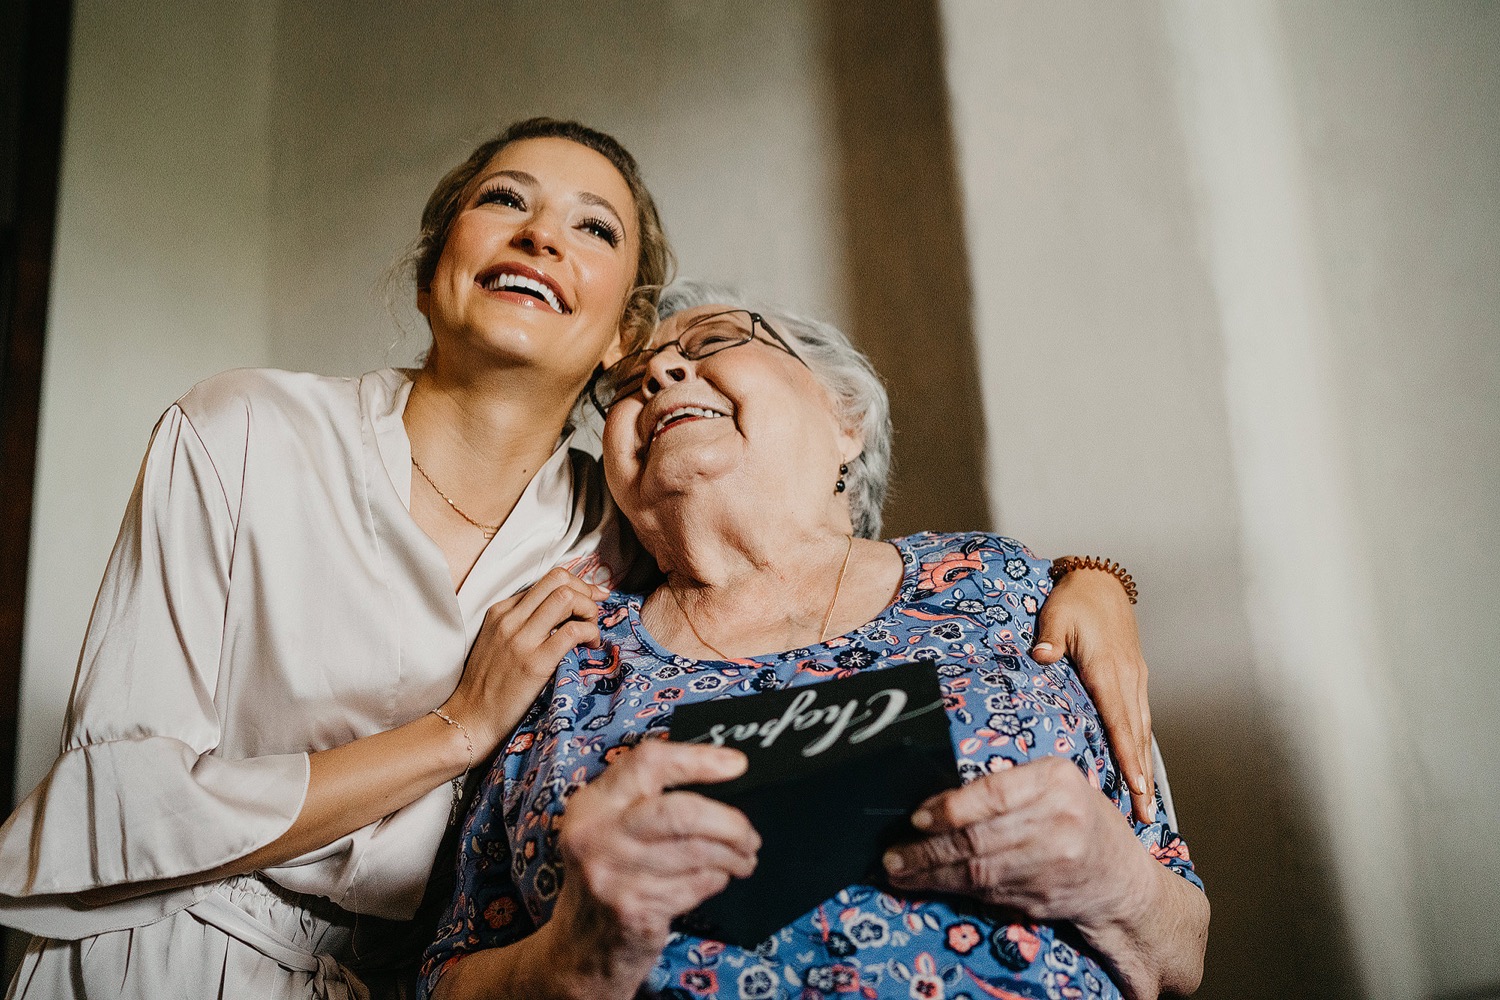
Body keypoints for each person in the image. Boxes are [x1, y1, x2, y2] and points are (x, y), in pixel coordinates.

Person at [0, 121, 1157, 998]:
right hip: (154, 948)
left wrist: (1092, 578)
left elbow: (814, 573)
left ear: (616, 331)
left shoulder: (612, 526)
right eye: (504, 201)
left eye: (593, 226)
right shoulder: (247, 431)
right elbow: (122, 796)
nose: (542, 234)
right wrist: (458, 729)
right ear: (430, 269)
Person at [421, 285, 1209, 1000]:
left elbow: (1182, 950)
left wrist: (1118, 886)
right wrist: (570, 957)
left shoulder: (1002, 585)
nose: (658, 378)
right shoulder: (566, 660)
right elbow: (445, 976)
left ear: (846, 418)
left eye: (713, 343)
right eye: (629, 387)